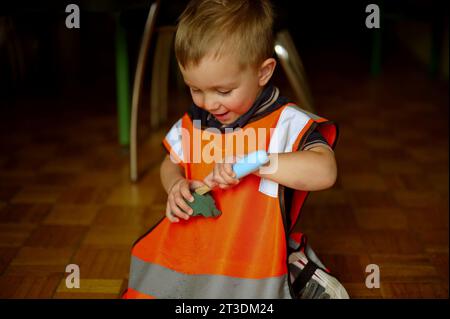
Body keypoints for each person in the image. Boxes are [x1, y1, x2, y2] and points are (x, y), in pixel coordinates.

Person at [123, 0, 348, 299]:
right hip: (197, 253)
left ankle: (296, 269)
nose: (209, 103)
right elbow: (170, 163)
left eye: (224, 91)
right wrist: (175, 184)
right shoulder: (196, 119)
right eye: (195, 88)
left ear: (263, 73)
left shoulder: (285, 123)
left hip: (252, 259)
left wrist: (259, 163)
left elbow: (325, 170)